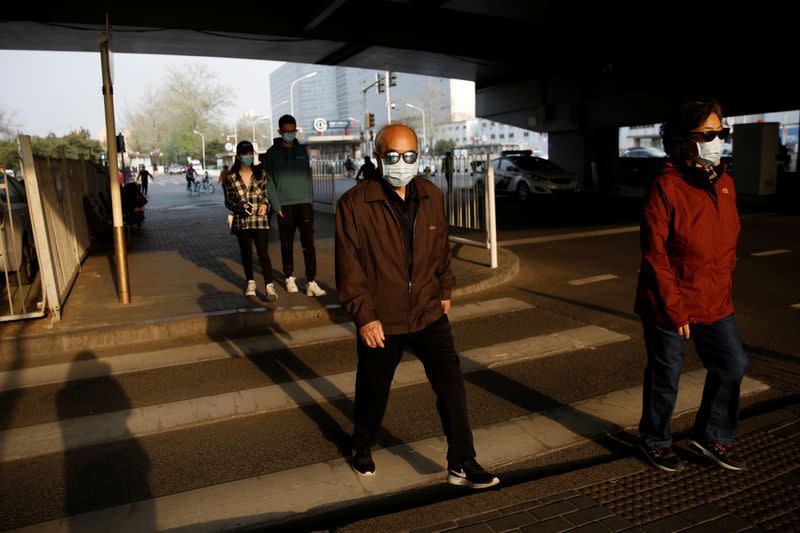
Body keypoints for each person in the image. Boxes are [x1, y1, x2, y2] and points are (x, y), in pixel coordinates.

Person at [335, 123, 499, 489]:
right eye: (393, 156)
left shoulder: (430, 195)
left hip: (428, 310)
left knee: (451, 385)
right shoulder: (354, 205)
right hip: (382, 318)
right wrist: (365, 316)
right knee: (374, 390)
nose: (402, 163)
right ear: (379, 157)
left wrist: (445, 289)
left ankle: (462, 460)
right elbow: (349, 269)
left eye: (410, 156)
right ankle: (361, 443)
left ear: (418, 156)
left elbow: (440, 248)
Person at [635, 98, 748, 473]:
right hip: (670, 302)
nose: (718, 140)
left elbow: (726, 244)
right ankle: (656, 440)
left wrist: (723, 292)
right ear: (685, 140)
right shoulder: (665, 187)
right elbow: (655, 255)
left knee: (732, 364)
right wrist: (674, 308)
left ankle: (710, 435)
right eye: (708, 134)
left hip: (714, 300)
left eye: (721, 132)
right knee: (666, 374)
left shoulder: (725, 184)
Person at [262, 114, 326, 297]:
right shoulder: (272, 154)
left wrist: (310, 199)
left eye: (293, 131)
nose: (290, 134)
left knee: (309, 244)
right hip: (284, 206)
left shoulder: (301, 151)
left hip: (304, 204)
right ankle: (289, 277)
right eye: (286, 131)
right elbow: (269, 182)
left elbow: (307, 177)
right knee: (286, 244)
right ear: (280, 132)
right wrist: (276, 205)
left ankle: (311, 281)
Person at [223, 140, 282, 301]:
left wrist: (265, 205)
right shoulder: (230, 178)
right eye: (245, 154)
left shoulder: (261, 174)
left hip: (260, 221)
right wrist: (240, 206)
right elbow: (228, 201)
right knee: (246, 253)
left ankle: (269, 286)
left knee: (263, 254)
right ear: (238, 156)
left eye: (250, 154)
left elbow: (266, 195)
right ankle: (250, 283)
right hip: (242, 222)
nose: (248, 157)